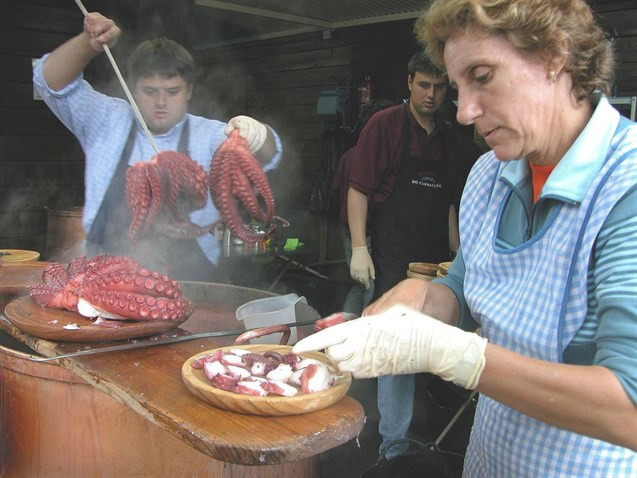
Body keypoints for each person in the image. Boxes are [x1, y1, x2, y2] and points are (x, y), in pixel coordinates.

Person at [294, 0, 637, 476]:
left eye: (483, 76)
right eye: (458, 87)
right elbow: (465, 289)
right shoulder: (489, 177)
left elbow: (629, 410)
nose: (464, 112)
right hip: (489, 460)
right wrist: (425, 300)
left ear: (555, 55)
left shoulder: (626, 185)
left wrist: (450, 353)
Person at [33, 12, 282, 281]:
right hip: (102, 277)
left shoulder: (211, 135)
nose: (161, 102)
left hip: (190, 282)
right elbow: (49, 82)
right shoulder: (105, 120)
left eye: (172, 91)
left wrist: (256, 135)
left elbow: (270, 153)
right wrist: (89, 42)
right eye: (150, 91)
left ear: (188, 90)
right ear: (133, 89)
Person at [346, 52, 482, 456]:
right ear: (409, 83)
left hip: (434, 258)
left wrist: (458, 255)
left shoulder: (448, 136)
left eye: (439, 88)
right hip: (392, 254)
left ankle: (434, 426)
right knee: (396, 348)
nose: (431, 94)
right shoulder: (384, 125)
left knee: (436, 344)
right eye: (424, 85)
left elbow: (450, 205)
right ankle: (395, 441)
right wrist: (358, 248)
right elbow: (359, 189)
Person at [331, 99, 397, 315]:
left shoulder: (347, 156)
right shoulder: (372, 158)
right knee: (370, 285)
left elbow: (336, 191)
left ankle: (344, 323)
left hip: (347, 232)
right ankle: (361, 329)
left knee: (358, 284)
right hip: (366, 233)